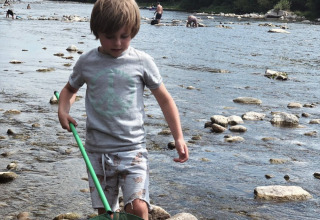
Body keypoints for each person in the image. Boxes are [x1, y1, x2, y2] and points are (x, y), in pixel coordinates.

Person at [57, 0, 189, 219]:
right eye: (109, 36)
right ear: (96, 31)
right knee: (105, 212)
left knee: (138, 208)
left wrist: (179, 137)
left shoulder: (142, 62)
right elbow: (69, 90)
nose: (117, 43)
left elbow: (165, 100)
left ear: (134, 32)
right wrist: (63, 110)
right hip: (97, 152)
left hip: (133, 149)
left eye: (124, 36)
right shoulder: (87, 62)